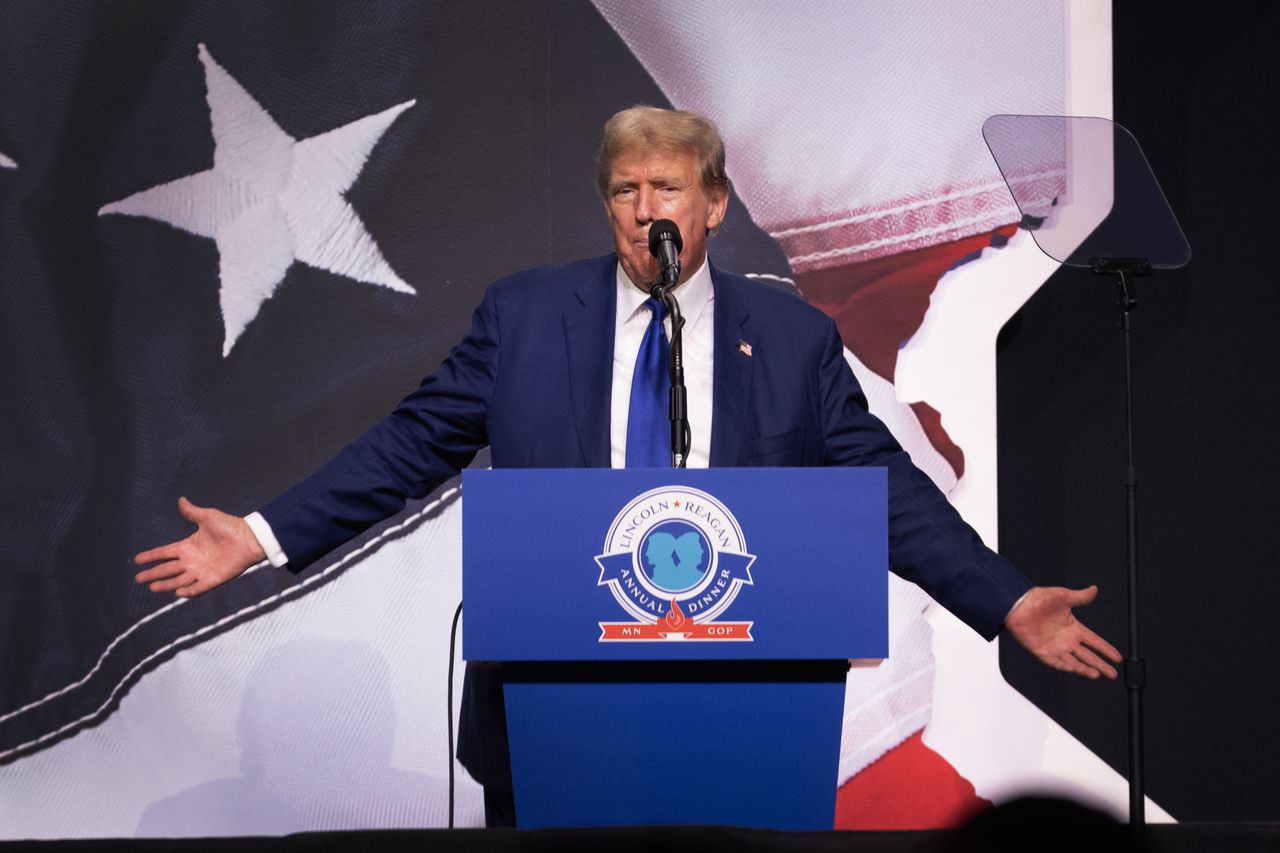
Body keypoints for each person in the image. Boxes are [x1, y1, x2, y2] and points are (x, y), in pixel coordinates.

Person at [134, 106, 1122, 827]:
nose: (645, 207)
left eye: (668, 188)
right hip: (556, 717)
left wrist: (1005, 599)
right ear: (605, 201)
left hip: (745, 720)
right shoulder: (524, 318)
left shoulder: (785, 337)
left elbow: (884, 491)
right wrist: (264, 535)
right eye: (625, 188)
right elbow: (411, 442)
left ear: (715, 204)